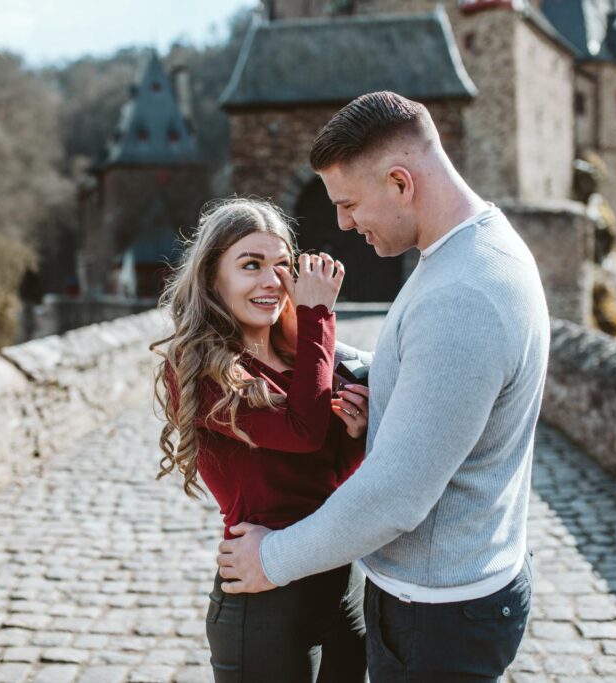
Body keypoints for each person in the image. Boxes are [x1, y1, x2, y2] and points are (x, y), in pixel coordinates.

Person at [215, 92, 551, 682]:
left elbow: (394, 497)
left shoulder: (464, 296)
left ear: (401, 182)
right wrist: (287, 348)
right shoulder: (463, 255)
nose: (343, 223)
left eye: (348, 203)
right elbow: (421, 366)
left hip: (441, 618)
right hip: (440, 598)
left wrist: (271, 558)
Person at [150, 198, 372, 682]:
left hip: (342, 585)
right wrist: (316, 313)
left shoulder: (301, 359)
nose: (272, 282)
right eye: (251, 265)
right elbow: (302, 431)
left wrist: (356, 432)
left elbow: (331, 474)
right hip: (267, 602)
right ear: (212, 277)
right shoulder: (199, 367)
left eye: (282, 267)